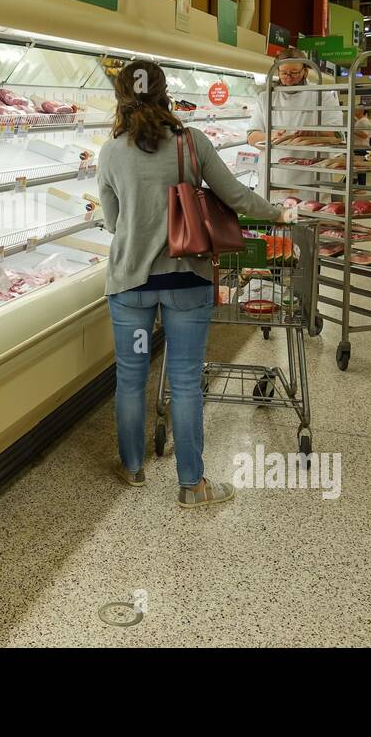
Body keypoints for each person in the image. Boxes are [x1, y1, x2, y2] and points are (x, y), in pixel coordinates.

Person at [98, 60, 292, 509]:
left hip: (130, 282)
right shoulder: (192, 143)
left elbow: (112, 222)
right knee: (184, 381)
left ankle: (132, 468)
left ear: (122, 96)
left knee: (131, 378)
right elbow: (235, 197)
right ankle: (192, 485)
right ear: (165, 92)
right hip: (187, 278)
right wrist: (280, 213)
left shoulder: (110, 151)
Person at [247, 47, 342, 196]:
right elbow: (251, 136)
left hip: (310, 181)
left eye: (294, 72)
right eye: (284, 72)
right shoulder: (266, 98)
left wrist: (313, 133)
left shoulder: (323, 95)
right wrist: (272, 137)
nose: (288, 77)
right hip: (273, 178)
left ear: (305, 71)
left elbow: (337, 135)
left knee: (308, 214)